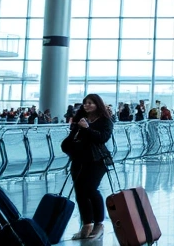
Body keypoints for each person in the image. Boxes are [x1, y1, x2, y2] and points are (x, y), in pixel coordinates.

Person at [63, 94, 114, 240]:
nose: (87, 105)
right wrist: (79, 128)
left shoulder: (105, 121)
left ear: (98, 104)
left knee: (90, 190)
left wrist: (87, 129)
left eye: (90, 103)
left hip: (97, 161)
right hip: (79, 160)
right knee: (80, 193)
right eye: (85, 103)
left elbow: (102, 138)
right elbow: (72, 138)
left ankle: (99, 224)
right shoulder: (81, 120)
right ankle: (86, 225)